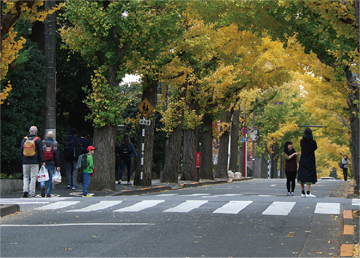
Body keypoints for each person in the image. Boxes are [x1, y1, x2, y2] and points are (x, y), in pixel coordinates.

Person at [20, 126, 45, 198]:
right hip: (34, 161)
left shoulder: (24, 140)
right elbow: (40, 151)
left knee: (25, 176)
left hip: (25, 161)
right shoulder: (38, 140)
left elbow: (21, 150)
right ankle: (32, 193)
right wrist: (42, 161)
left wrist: (23, 158)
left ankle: (25, 190)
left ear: (29, 131)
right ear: (36, 132)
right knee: (33, 177)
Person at [298, 128, 318, 198]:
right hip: (310, 160)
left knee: (301, 176)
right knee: (309, 175)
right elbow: (315, 148)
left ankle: (302, 192)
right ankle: (308, 192)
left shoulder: (302, 141)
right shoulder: (313, 142)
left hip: (303, 159)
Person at [40, 131, 60, 197]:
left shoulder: (42, 142)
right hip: (51, 162)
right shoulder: (55, 143)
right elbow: (56, 155)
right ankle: (48, 192)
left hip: (44, 162)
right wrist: (58, 165)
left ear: (46, 135)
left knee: (42, 175)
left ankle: (42, 185)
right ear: (53, 136)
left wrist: (42, 161)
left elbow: (40, 153)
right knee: (50, 178)